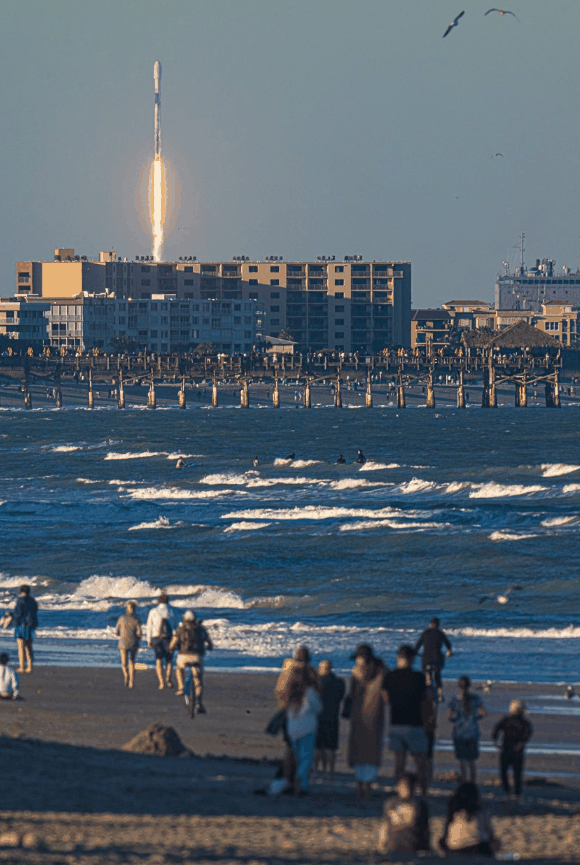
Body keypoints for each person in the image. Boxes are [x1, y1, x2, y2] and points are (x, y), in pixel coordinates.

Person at [383, 645, 434, 797]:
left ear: (398, 657)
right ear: (411, 659)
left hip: (396, 722)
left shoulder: (390, 677)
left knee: (399, 762)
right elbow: (427, 698)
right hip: (414, 723)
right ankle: (423, 792)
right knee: (421, 761)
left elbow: (386, 700)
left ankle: (401, 792)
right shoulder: (418, 677)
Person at [347, 644, 388, 798]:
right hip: (375, 714)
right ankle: (368, 786)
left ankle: (360, 786)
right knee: (372, 751)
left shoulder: (356, 673)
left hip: (359, 715)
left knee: (358, 752)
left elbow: (351, 694)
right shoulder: (382, 671)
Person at [281, 666, 322, 795]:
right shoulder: (309, 692)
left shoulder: (290, 692)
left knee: (295, 756)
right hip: (307, 728)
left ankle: (291, 781)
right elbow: (318, 707)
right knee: (305, 758)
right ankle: (301, 783)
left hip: (293, 728)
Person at [439, 782, 499, 857]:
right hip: (477, 848)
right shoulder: (480, 812)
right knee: (495, 843)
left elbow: (445, 834)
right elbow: (491, 834)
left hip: (454, 849)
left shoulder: (453, 811)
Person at [378, 772, 430, 857]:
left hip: (412, 846)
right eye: (404, 786)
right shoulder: (391, 803)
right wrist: (382, 843)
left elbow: (424, 829)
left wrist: (425, 847)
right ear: (398, 787)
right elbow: (385, 825)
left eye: (409, 786)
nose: (406, 789)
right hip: (393, 846)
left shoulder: (420, 805)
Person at [170, 610, 213, 712]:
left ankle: (181, 687)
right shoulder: (201, 629)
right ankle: (198, 702)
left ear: (185, 619)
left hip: (184, 656)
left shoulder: (180, 629)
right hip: (197, 657)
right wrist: (209, 647)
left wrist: (171, 649)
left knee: (179, 668)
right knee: (198, 679)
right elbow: (209, 643)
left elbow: (172, 644)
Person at [448, 676, 486, 783]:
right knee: (472, 761)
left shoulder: (455, 699)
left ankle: (464, 781)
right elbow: (483, 713)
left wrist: (456, 720)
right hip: (472, 731)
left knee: (462, 761)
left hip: (459, 732)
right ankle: (472, 782)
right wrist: (475, 718)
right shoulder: (475, 698)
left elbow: (449, 716)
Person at [492, 699, 533, 800]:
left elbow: (527, 734)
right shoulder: (508, 720)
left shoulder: (522, 722)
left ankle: (515, 794)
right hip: (508, 748)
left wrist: (521, 743)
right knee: (508, 772)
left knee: (514, 773)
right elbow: (496, 729)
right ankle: (510, 793)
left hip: (515, 750)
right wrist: (496, 742)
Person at [314, 660, 345, 775]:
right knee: (330, 747)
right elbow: (341, 696)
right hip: (332, 717)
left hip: (317, 717)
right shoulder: (339, 682)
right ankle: (330, 771)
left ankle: (316, 769)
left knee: (317, 747)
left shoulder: (316, 683)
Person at [414, 616, 452, 702]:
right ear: (438, 625)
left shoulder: (425, 633)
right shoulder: (440, 633)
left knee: (427, 674)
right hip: (438, 658)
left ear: (430, 624)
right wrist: (449, 651)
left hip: (426, 659)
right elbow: (448, 644)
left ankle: (427, 693)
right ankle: (440, 695)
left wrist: (415, 653)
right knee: (438, 675)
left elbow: (418, 645)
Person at [6, 585, 39, 674]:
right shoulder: (33, 601)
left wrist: (10, 614)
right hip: (30, 625)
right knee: (29, 647)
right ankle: (30, 666)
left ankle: (22, 667)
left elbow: (18, 614)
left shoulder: (20, 601)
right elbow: (35, 612)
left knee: (21, 647)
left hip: (21, 625)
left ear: (21, 591)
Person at [146, 593, 175, 690]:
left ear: (159, 601)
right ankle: (168, 679)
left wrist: (148, 640)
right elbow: (176, 626)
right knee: (169, 660)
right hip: (168, 638)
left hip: (156, 638)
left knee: (158, 660)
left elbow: (149, 627)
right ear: (167, 601)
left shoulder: (153, 611)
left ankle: (161, 683)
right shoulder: (171, 611)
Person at [115, 601, 142, 689]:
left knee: (124, 663)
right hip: (133, 642)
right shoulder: (137, 619)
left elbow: (116, 632)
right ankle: (131, 682)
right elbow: (140, 633)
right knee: (132, 662)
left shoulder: (121, 618)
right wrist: (138, 638)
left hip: (123, 642)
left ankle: (126, 675)